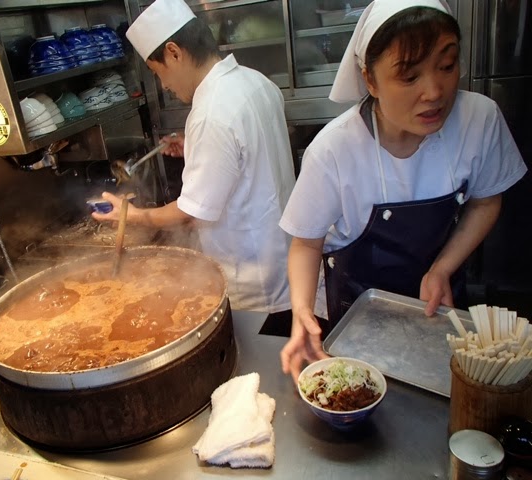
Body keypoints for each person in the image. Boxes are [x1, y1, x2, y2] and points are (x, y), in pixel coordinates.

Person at [278, 0, 527, 381]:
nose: (434, 91)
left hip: (439, 306)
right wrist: (301, 313)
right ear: (371, 80)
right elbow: (306, 244)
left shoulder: (479, 119)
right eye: (410, 76)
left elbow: (486, 202)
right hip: (356, 313)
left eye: (447, 66)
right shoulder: (334, 149)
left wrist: (443, 267)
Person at [92, 0, 296, 313]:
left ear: (174, 52)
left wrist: (130, 215)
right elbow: (250, 152)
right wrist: (194, 147)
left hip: (253, 287)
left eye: (158, 72)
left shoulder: (210, 112)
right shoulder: (256, 81)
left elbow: (190, 214)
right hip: (286, 264)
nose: (164, 85)